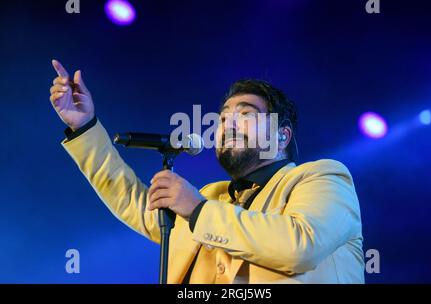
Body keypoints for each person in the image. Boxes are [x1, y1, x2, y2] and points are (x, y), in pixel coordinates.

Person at [49, 59, 365, 284]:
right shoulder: (211, 197)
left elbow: (301, 246)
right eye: (224, 118)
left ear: (282, 135)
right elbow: (131, 199)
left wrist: (198, 211)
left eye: (246, 114)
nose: (228, 124)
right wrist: (84, 127)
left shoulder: (323, 177)